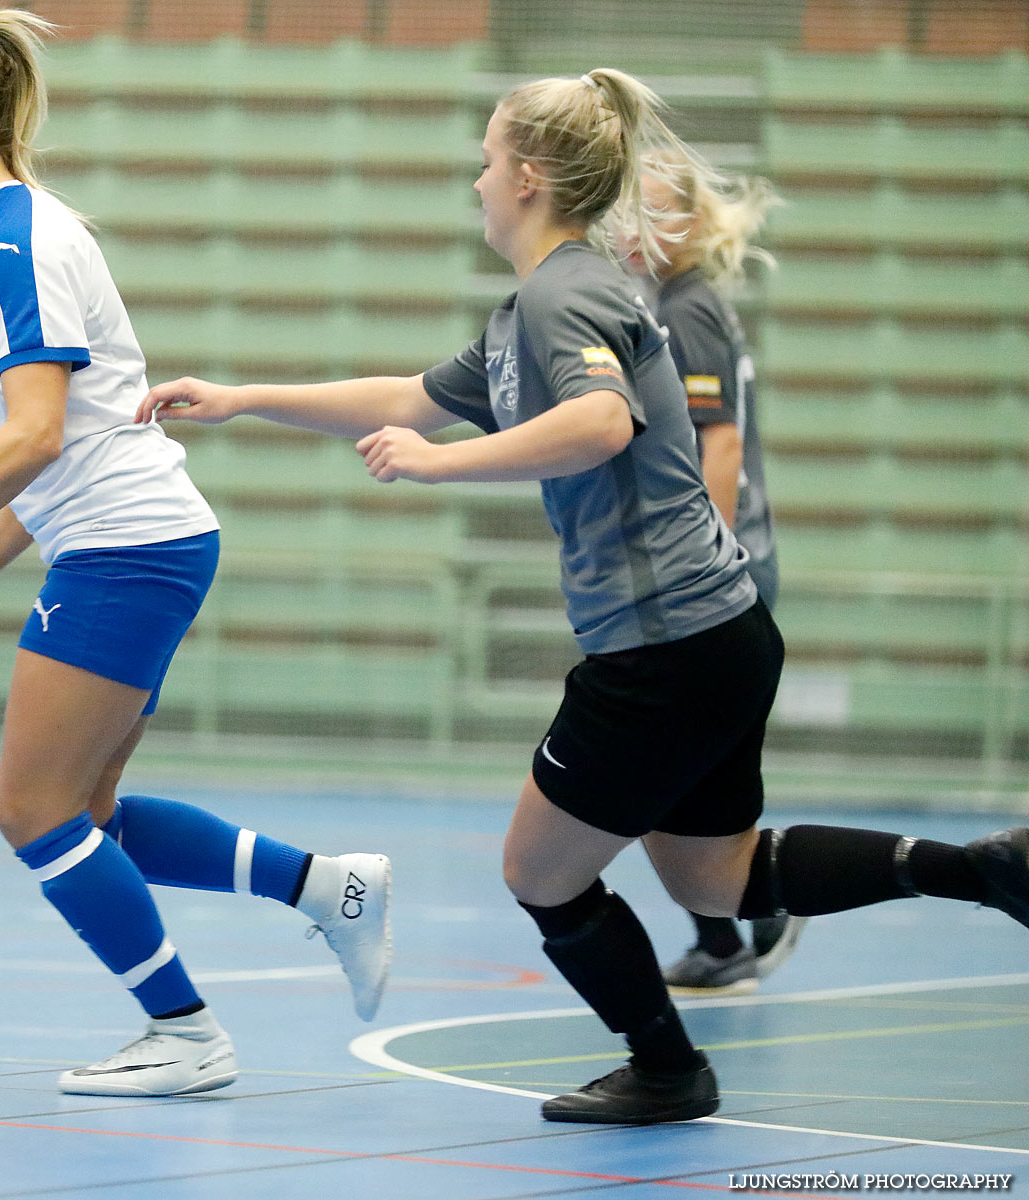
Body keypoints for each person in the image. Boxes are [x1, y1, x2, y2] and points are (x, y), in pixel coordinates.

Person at [139, 68, 1029, 1125]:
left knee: (540, 871)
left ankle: (665, 1068)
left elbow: (602, 422)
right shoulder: (535, 309)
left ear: (524, 176)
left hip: (667, 650)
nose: (473, 181)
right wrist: (243, 399)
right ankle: (989, 872)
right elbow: (407, 397)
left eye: (482, 159)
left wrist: (437, 468)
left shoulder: (569, 294)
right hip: (712, 638)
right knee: (718, 883)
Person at [0, 9, 392, 1098]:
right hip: (132, 539)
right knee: (90, 814)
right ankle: (330, 889)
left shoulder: (15, 234)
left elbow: (37, 434)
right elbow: (70, 444)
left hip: (127, 548)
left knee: (33, 810)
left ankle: (187, 1034)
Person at [619, 156, 805, 992]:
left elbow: (717, 443)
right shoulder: (678, 306)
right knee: (693, 776)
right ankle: (737, 931)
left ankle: (757, 912)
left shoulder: (688, 314)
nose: (627, 228)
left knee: (665, 765)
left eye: (645, 212)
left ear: (682, 228)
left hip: (717, 581)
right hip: (723, 578)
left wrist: (707, 563)